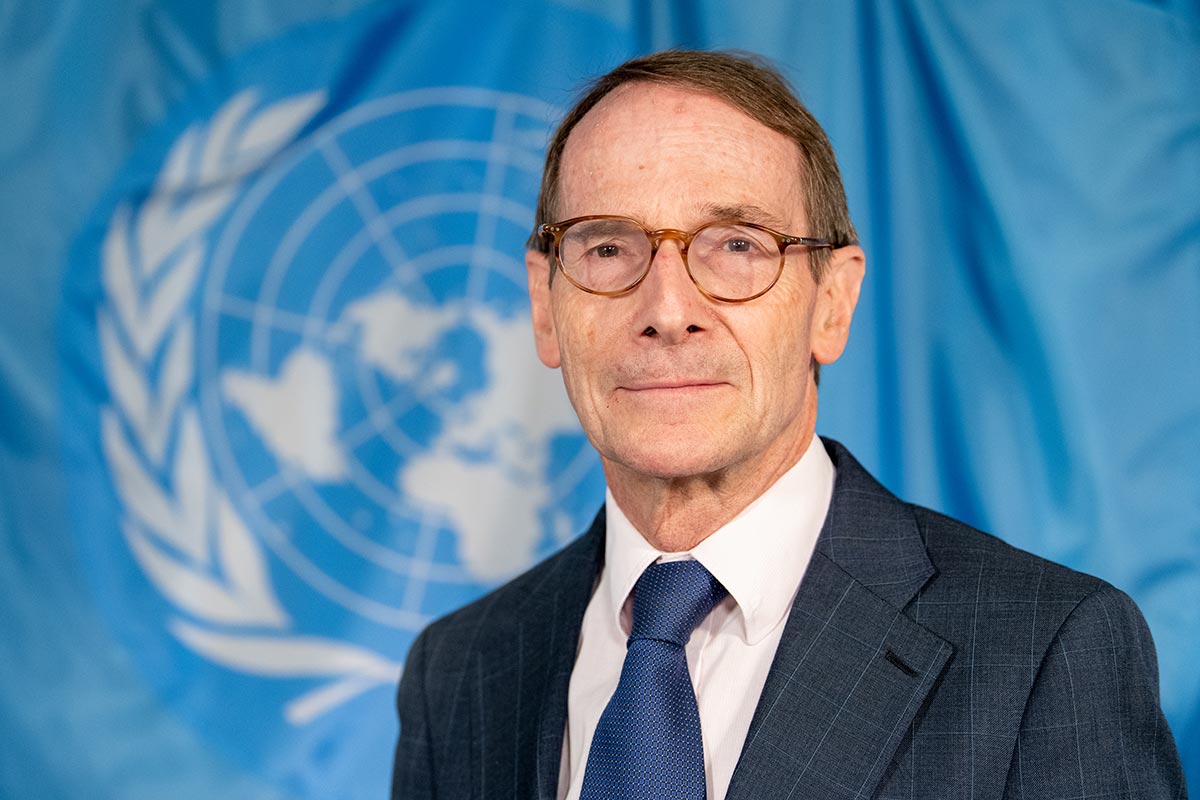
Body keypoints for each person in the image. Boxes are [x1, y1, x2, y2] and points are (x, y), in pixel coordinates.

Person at [391, 50, 1186, 800]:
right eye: (607, 247)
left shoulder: (1046, 650)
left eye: (738, 244)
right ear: (545, 305)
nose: (667, 312)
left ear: (831, 305)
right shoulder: (460, 670)